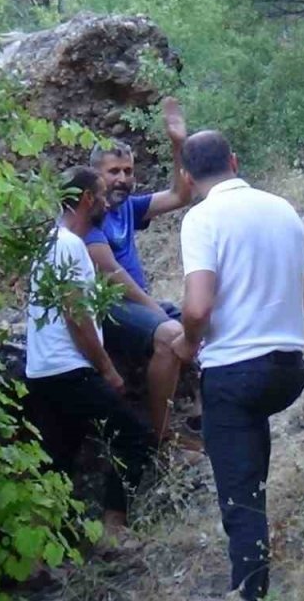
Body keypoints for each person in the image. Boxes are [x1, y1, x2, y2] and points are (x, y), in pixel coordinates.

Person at [173, 130, 304, 600]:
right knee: (249, 455)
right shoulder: (283, 209)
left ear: (186, 177)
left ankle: (250, 591)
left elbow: (197, 307)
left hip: (235, 373)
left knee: (240, 500)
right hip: (289, 369)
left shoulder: (201, 219)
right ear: (234, 162)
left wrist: (186, 344)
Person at [24, 165, 153, 535]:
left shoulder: (48, 243)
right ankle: (114, 527)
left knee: (58, 458)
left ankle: (45, 547)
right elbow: (76, 314)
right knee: (133, 435)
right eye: (101, 196)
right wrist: (107, 369)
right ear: (86, 199)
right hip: (69, 369)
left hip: (42, 369)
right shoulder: (69, 245)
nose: (106, 205)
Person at [84, 97, 198, 448]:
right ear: (96, 175)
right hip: (108, 307)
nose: (122, 179)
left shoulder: (128, 208)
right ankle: (161, 436)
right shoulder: (88, 216)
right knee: (169, 334)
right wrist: (154, 309)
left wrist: (178, 144)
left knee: (207, 324)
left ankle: (204, 412)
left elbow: (180, 195)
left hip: (138, 304)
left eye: (128, 171)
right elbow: (111, 273)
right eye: (113, 172)